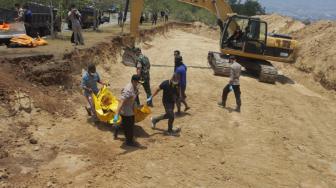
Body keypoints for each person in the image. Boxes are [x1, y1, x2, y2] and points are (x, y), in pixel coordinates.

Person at [113, 75, 142, 146]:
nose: (139, 84)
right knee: (129, 127)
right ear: (133, 81)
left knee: (128, 124)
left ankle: (117, 129)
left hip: (130, 109)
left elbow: (133, 97)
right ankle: (129, 142)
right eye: (138, 82)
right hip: (126, 111)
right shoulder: (128, 90)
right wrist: (116, 115)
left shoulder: (134, 88)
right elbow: (121, 102)